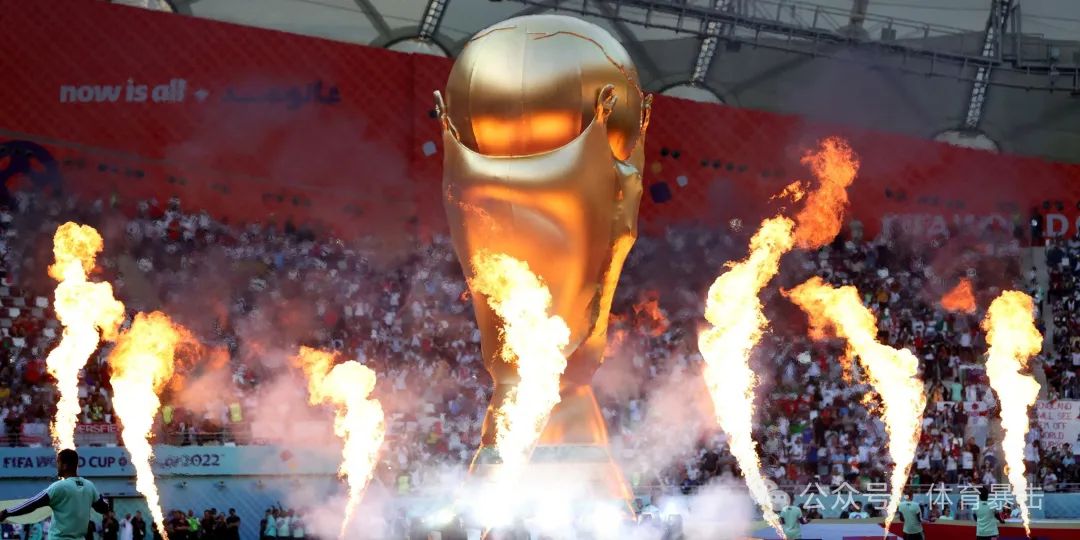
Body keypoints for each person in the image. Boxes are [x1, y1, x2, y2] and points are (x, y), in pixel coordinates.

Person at [0, 449, 111, 540]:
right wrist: (100, 499)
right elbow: (103, 508)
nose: (56, 466)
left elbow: (33, 503)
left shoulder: (59, 487)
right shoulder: (89, 486)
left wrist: (6, 512)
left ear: (65, 465)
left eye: (58, 462)